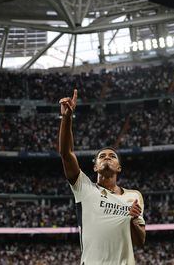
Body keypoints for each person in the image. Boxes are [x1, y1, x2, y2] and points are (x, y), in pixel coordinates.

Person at [59, 89, 146, 265]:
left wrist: (132, 220)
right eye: (102, 156)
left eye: (112, 156)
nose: (107, 157)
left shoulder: (134, 196)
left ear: (119, 167)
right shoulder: (84, 188)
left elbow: (139, 241)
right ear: (95, 167)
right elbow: (66, 153)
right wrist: (67, 118)